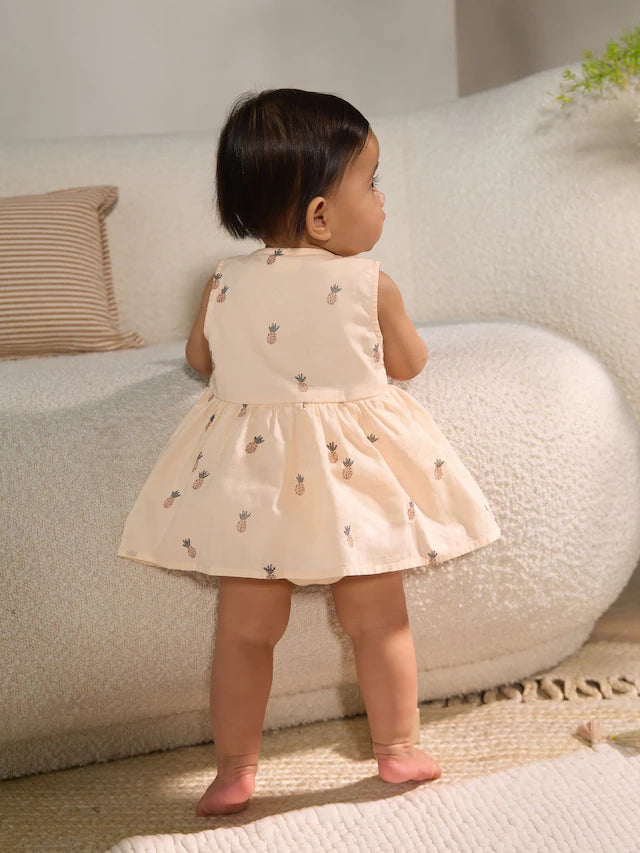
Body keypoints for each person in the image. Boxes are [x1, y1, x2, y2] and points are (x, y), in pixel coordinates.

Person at [118, 88, 501, 817]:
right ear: (322, 217)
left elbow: (200, 360)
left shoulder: (223, 281)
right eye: (372, 183)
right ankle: (397, 748)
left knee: (244, 633)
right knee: (379, 621)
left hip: (253, 482)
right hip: (353, 481)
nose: (382, 200)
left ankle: (234, 768)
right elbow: (410, 363)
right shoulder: (369, 282)